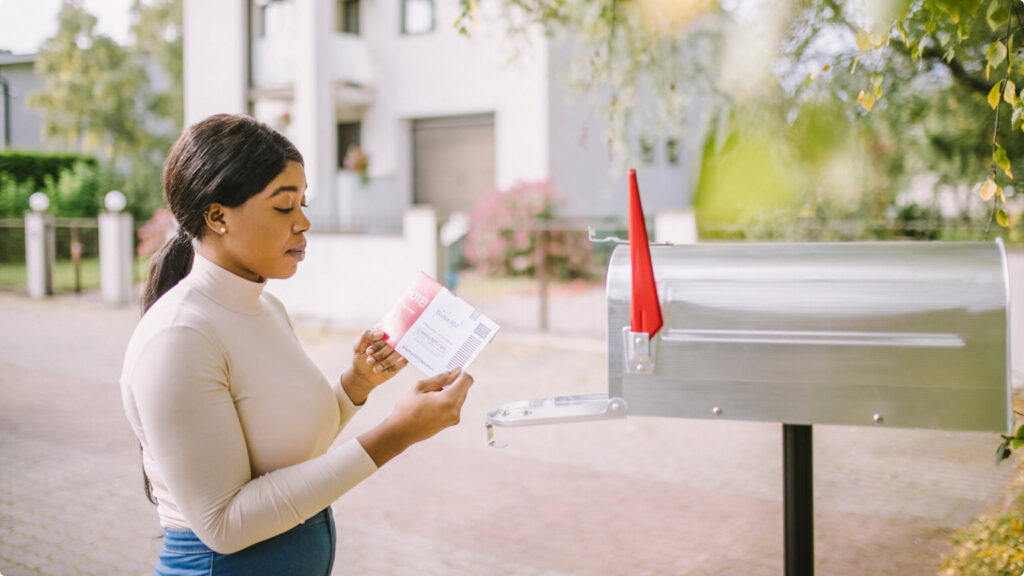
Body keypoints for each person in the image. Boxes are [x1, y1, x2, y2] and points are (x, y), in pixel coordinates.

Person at [119, 113, 474, 576]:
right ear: (217, 216)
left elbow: (290, 450)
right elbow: (222, 524)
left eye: (303, 203)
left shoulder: (267, 308)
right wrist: (397, 433)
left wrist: (355, 386)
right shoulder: (178, 338)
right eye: (284, 207)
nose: (304, 222)